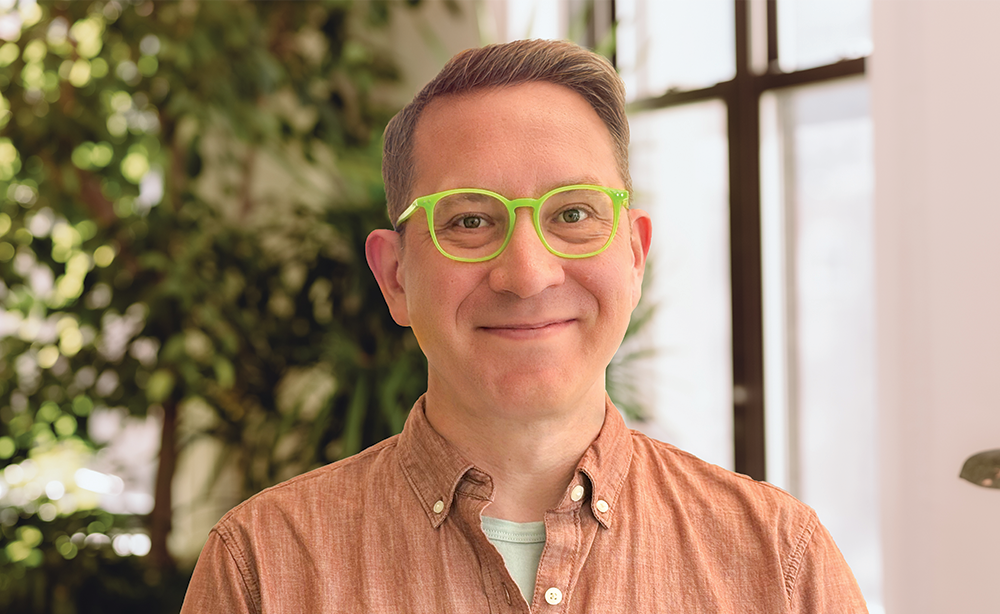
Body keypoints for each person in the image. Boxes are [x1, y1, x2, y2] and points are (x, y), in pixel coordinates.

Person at [179, 39, 868, 613]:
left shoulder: (779, 562)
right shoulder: (263, 568)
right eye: (470, 221)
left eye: (572, 214)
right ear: (394, 277)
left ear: (633, 255)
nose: (528, 274)